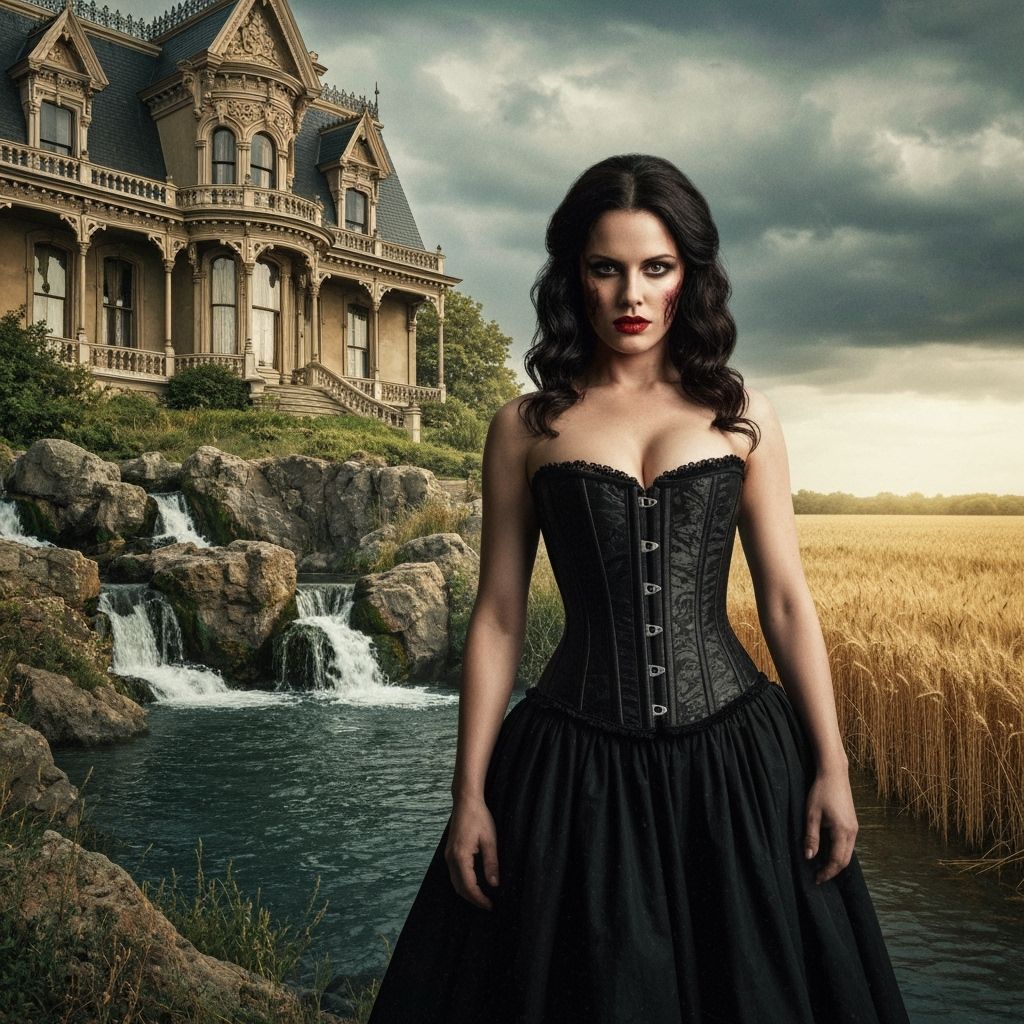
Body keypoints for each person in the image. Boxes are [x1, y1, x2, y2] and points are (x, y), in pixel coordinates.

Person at [366, 154, 910, 1023]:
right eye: (605, 267)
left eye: (655, 268)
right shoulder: (526, 425)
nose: (631, 293)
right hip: (574, 767)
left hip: (735, 763)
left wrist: (833, 768)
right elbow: (501, 617)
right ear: (573, 277)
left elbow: (785, 603)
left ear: (687, 275)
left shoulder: (741, 414)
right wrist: (468, 796)